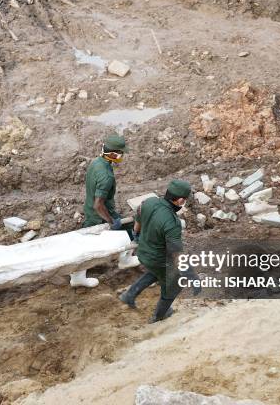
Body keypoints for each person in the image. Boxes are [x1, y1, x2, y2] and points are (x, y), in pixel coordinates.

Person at [119, 179, 200, 323]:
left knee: (158, 271)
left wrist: (136, 237)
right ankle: (159, 316)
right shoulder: (172, 222)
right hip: (157, 258)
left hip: (142, 252)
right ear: (180, 201)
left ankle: (129, 295)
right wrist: (192, 276)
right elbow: (177, 255)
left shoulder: (150, 201)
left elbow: (138, 219)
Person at [75, 134, 131, 287]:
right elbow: (98, 205)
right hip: (99, 215)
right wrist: (112, 222)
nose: (122, 156)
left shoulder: (96, 162)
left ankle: (78, 274)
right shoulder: (106, 175)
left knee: (87, 241)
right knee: (128, 233)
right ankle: (124, 260)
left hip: (90, 211)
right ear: (113, 154)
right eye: (121, 153)